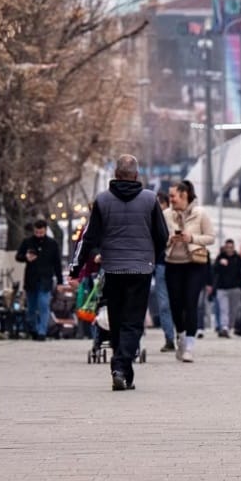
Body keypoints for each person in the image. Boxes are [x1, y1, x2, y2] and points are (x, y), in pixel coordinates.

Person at [75, 154, 169, 391]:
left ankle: (123, 371)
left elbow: (90, 237)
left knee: (116, 320)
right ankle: (120, 366)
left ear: (116, 175)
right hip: (140, 269)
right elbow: (162, 235)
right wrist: (153, 259)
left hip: (113, 268)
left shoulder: (103, 201)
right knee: (133, 322)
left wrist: (77, 267)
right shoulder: (149, 200)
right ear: (137, 176)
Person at [163, 180, 215, 363]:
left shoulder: (200, 214)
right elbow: (158, 238)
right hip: (172, 263)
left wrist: (191, 238)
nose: (170, 200)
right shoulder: (166, 215)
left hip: (195, 263)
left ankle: (190, 346)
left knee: (191, 302)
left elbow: (211, 238)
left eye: (173, 196)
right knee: (176, 305)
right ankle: (181, 335)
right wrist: (170, 239)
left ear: (184, 195)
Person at [16, 219, 63, 342]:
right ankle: (34, 328)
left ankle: (42, 331)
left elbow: (57, 264)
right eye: (37, 232)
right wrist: (26, 258)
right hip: (31, 278)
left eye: (41, 232)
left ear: (45, 230)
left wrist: (60, 281)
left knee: (43, 304)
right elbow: (18, 256)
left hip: (46, 279)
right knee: (31, 308)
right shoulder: (27, 242)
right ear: (34, 230)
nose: (39, 235)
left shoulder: (52, 244)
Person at [148, 191, 178, 352]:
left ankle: (182, 335)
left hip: (177, 264)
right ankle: (169, 338)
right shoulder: (152, 222)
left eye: (161, 204)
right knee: (164, 304)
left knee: (178, 303)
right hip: (160, 265)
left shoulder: (174, 219)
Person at [213, 239, 241, 337]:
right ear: (225, 248)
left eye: (231, 247)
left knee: (233, 310)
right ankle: (224, 327)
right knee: (224, 309)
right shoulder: (220, 257)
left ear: (233, 247)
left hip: (235, 289)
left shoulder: (238, 258)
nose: (229, 249)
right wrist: (219, 263)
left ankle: (229, 327)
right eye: (228, 247)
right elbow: (214, 269)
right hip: (222, 288)